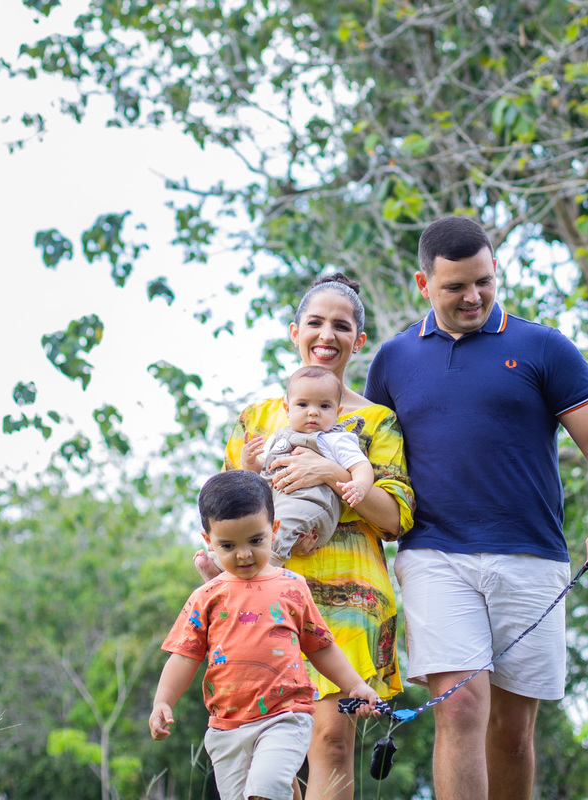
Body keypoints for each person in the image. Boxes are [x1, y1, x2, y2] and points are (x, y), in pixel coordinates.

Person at [364, 215, 588, 800]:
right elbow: (366, 454)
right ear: (422, 284)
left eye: (485, 281)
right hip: (435, 554)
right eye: (456, 286)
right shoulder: (392, 361)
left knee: (512, 733)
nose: (474, 296)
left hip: (532, 556)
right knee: (459, 707)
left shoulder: (542, 346)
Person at [201, 273, 414, 800]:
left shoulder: (376, 421)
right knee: (263, 742)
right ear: (295, 331)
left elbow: (395, 518)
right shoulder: (257, 420)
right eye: (316, 322)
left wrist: (332, 474)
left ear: (358, 341)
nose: (327, 334)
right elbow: (227, 513)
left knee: (330, 739)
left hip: (350, 593)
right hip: (264, 593)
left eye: (341, 325)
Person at [150, 470, 381, 800]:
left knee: (266, 790)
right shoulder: (206, 596)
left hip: (284, 717)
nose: (244, 554)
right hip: (225, 728)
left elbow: (321, 647)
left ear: (273, 530)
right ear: (208, 541)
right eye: (228, 545)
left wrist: (354, 685)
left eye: (255, 541)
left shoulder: (292, 588)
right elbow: (184, 655)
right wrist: (162, 701)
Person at [244, 365, 374, 567]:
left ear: (338, 411)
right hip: (274, 505)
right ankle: (218, 565)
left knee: (283, 524)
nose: (313, 412)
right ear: (288, 409)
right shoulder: (277, 437)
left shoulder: (336, 439)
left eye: (324, 406)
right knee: (243, 521)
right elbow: (261, 472)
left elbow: (361, 466)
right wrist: (250, 462)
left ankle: (266, 568)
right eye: (303, 405)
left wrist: (360, 485)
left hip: (313, 505)